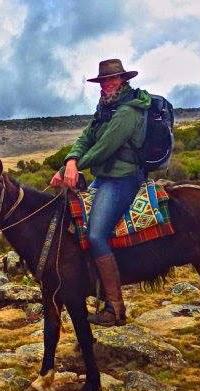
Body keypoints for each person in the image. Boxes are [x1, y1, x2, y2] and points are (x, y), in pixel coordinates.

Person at [50, 59, 152, 326]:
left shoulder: (128, 111)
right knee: (75, 222)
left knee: (96, 234)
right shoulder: (106, 107)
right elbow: (86, 137)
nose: (105, 85)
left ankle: (115, 307)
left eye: (111, 80)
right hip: (105, 177)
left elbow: (104, 148)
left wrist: (70, 169)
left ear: (122, 80)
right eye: (103, 81)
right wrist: (71, 161)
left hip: (123, 178)